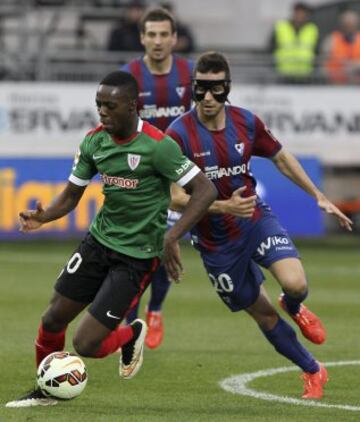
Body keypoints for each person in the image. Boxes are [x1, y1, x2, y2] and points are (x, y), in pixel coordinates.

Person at [5, 70, 217, 408]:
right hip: (98, 242)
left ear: (132, 106)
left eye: (110, 105)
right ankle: (46, 391)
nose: (102, 112)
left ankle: (130, 333)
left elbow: (206, 190)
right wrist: (43, 217)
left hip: (136, 256)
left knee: (86, 343)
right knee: (52, 319)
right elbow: (73, 195)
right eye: (98, 105)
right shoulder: (94, 141)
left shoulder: (158, 147)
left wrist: (172, 236)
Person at [168, 51, 353, 399]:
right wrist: (224, 206)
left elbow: (281, 157)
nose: (208, 98)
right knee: (263, 315)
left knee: (296, 284)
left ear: (227, 88)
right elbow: (175, 198)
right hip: (215, 244)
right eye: (201, 89)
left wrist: (319, 195)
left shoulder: (246, 122)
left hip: (254, 220)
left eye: (216, 89)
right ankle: (313, 370)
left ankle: (295, 305)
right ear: (193, 89)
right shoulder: (178, 135)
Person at [121, 6, 194, 349]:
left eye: (164, 34)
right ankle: (129, 323)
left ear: (175, 38)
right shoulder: (129, 76)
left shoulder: (190, 75)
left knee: (165, 245)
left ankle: (156, 310)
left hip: (177, 175)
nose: (158, 41)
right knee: (133, 250)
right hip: (139, 173)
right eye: (151, 34)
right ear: (142, 39)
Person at [268, 2, 319, 83]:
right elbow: (270, 48)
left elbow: (317, 51)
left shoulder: (312, 29)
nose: (300, 15)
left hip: (305, 75)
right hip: (284, 73)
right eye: (298, 12)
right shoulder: (281, 27)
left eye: (302, 12)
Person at [323, 10, 360, 84]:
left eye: (351, 25)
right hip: (336, 84)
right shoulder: (331, 39)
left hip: (357, 85)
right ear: (341, 25)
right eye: (346, 24)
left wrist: (355, 65)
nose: (349, 28)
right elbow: (323, 61)